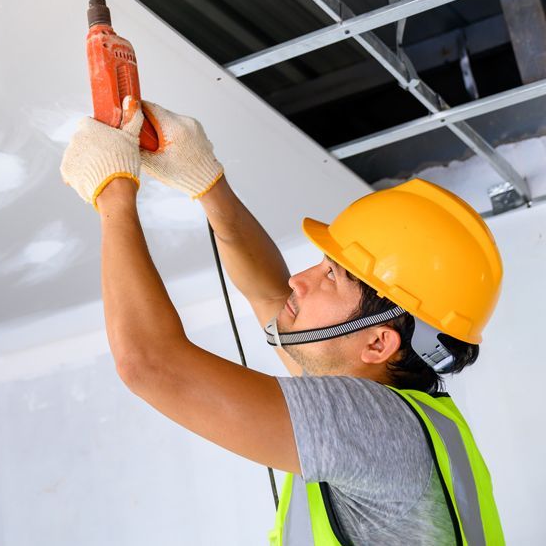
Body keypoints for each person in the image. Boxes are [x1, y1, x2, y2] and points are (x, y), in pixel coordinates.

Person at [59, 98, 504, 545]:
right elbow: (270, 294)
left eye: (331, 276)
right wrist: (206, 181)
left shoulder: (374, 426)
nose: (299, 280)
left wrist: (114, 196)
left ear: (378, 343)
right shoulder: (410, 422)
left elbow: (149, 363)